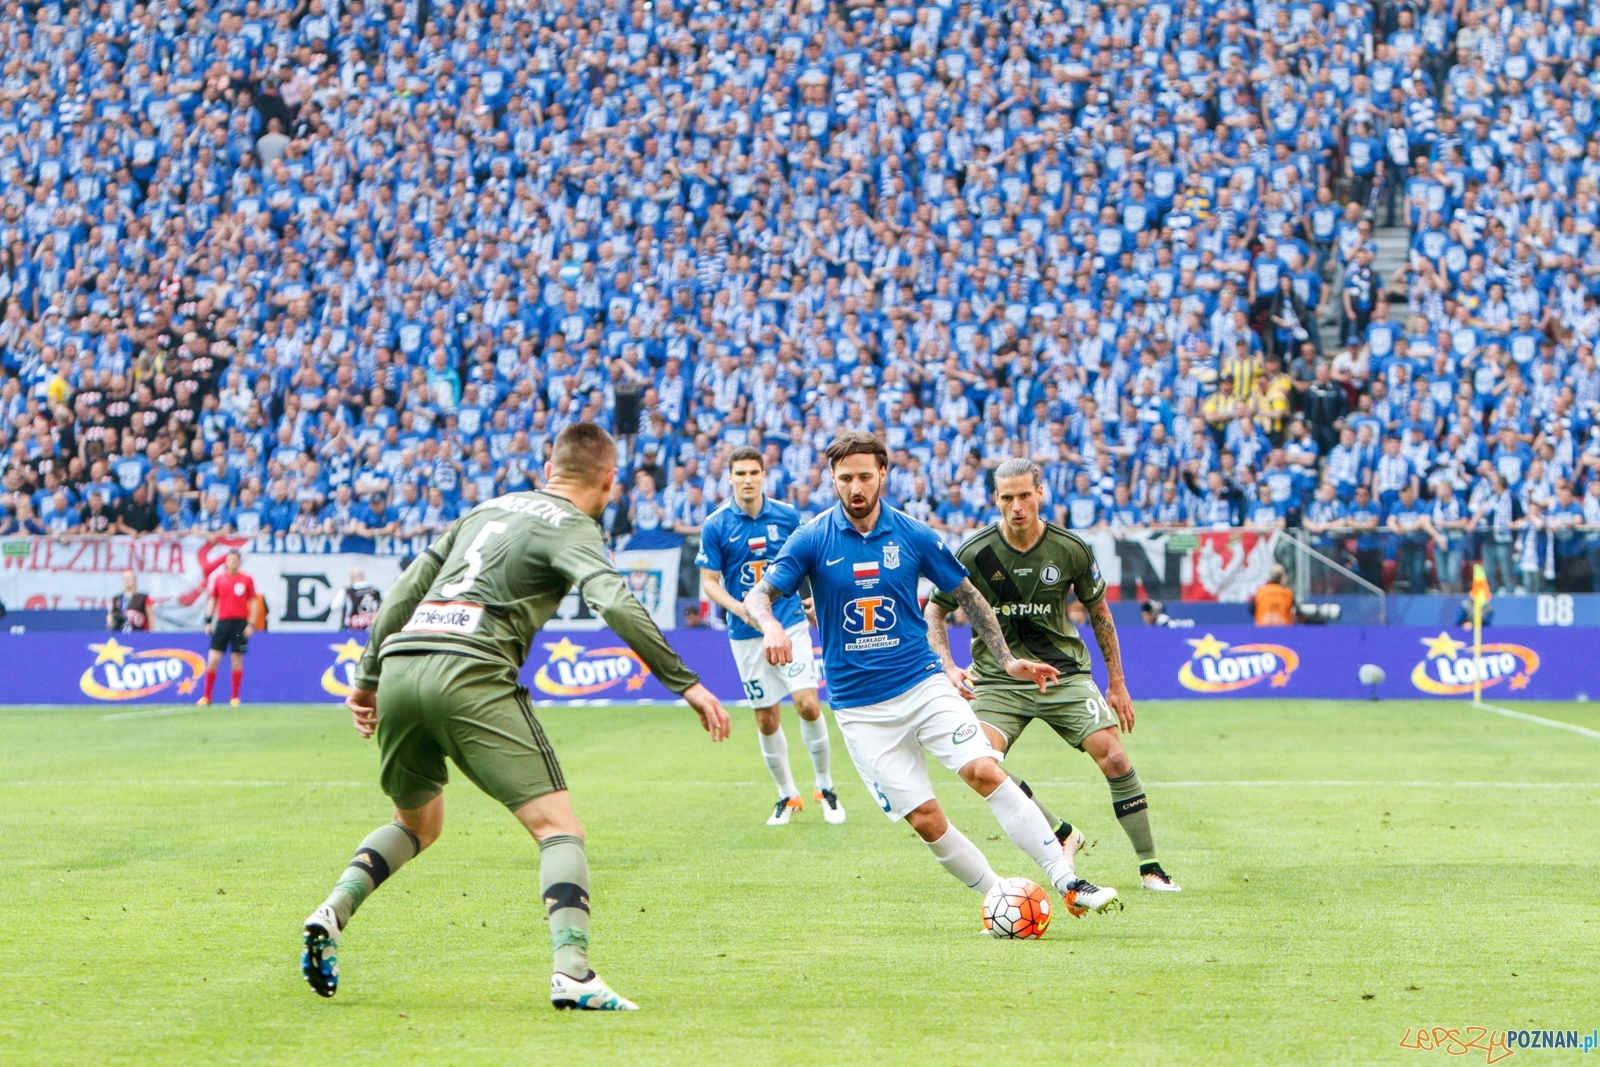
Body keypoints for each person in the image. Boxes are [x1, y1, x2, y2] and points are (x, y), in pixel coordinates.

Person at [302, 424, 730, 1012]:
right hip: (470, 672)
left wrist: (368, 679)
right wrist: (687, 683)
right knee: (558, 827)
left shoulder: (484, 509)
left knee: (417, 824)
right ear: (610, 481)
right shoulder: (574, 525)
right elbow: (611, 599)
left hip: (403, 665)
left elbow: (404, 589)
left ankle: (333, 911)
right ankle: (573, 973)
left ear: (549, 466)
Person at [744, 431, 1120, 918]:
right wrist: (771, 624)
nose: (854, 488)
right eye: (844, 479)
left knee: (985, 769)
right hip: (860, 709)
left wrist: (1006, 659)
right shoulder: (813, 537)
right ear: (831, 480)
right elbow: (759, 594)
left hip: (923, 685)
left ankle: (1068, 880)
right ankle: (1000, 896)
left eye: (863, 476)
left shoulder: (913, 534)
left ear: (883, 474)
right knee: (924, 818)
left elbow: (969, 596)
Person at [925, 459, 1180, 893]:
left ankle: (1150, 867)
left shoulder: (1069, 549)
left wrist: (1116, 683)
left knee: (1115, 757)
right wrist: (947, 666)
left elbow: (1099, 613)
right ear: (995, 500)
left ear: (1040, 493)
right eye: (1007, 498)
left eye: (1025, 495)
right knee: (979, 763)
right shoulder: (973, 553)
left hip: (1064, 674)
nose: (1017, 506)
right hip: (999, 681)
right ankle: (1060, 832)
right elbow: (935, 608)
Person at [697, 446, 843, 826]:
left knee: (809, 704)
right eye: (740, 473)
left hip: (789, 619)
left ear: (764, 476)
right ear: (729, 478)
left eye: (753, 473)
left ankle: (825, 787)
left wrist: (812, 600)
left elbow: (807, 561)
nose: (747, 479)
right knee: (766, 718)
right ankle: (787, 795)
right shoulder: (715, 525)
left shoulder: (786, 515)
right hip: (746, 633)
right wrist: (741, 608)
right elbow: (709, 583)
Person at [200, 551, 255, 706]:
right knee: (212, 660)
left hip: (240, 623)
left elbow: (253, 602)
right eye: (229, 560)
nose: (232, 563)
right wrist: (208, 621)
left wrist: (251, 624)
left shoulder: (246, 579)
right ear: (225, 562)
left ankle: (235, 697)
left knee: (236, 660)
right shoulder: (219, 579)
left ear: (239, 562)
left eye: (234, 560)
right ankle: (207, 697)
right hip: (222, 623)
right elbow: (213, 600)